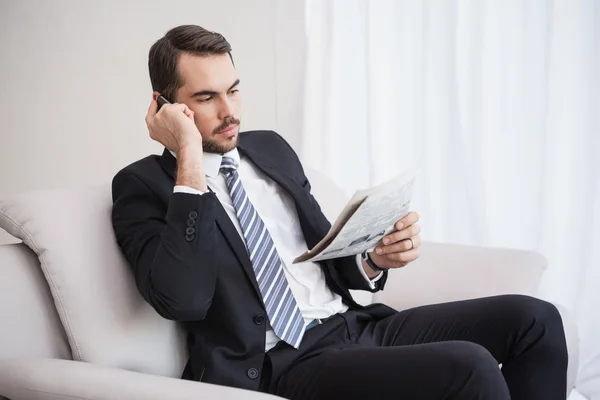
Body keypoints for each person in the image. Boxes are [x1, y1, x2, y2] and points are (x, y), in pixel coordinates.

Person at [111, 24, 568, 400]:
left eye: (233, 90)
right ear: (166, 107)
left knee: (536, 320)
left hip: (354, 325)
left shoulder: (269, 148)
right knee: (471, 367)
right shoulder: (143, 186)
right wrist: (189, 157)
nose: (230, 112)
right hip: (284, 361)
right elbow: (183, 298)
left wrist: (373, 260)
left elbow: (321, 254)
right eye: (207, 98)